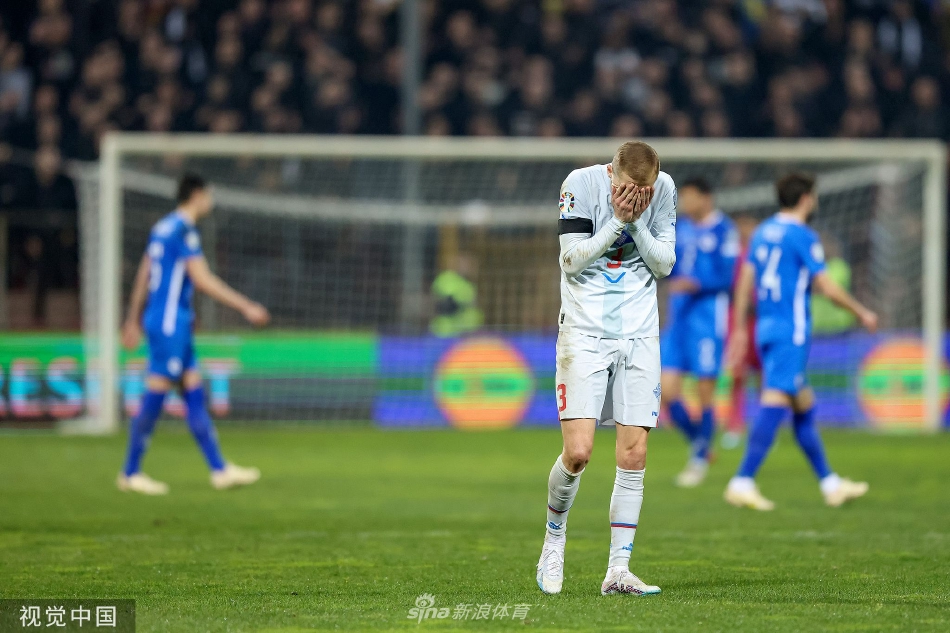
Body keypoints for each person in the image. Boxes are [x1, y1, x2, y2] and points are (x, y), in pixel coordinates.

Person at [537, 141, 675, 596]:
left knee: (634, 455)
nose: (638, 196)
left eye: (645, 190)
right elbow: (571, 261)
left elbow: (664, 265)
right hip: (584, 332)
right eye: (630, 188)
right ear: (613, 174)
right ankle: (554, 539)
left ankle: (618, 570)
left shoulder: (664, 189)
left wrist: (636, 224)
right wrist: (617, 220)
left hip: (640, 335)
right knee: (578, 453)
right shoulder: (580, 184)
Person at [725, 172, 876, 510]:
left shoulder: (763, 232)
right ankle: (743, 480)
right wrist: (862, 312)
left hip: (765, 327)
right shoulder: (803, 235)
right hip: (789, 331)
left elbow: (745, 279)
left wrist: (740, 328)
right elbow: (828, 287)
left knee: (803, 405)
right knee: (775, 399)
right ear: (807, 199)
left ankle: (830, 484)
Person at [117, 174, 271, 495]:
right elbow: (203, 280)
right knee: (156, 393)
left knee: (193, 391)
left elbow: (144, 274)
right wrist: (246, 306)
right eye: (209, 195)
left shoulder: (162, 228)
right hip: (170, 323)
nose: (211, 201)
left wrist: (133, 319)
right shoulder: (184, 231)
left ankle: (219, 470)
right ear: (197, 195)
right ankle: (130, 472)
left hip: (168, 321)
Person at [660, 178, 739, 486]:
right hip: (679, 319)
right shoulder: (681, 229)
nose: (685, 204)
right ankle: (700, 444)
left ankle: (698, 459)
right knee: (666, 391)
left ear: (706, 198)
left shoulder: (723, 230)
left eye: (690, 197)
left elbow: (728, 278)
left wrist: (696, 284)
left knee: (705, 391)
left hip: (707, 319)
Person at [724, 213, 761, 448]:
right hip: (736, 318)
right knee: (737, 374)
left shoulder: (762, 254)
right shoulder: (733, 255)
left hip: (759, 318)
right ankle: (735, 425)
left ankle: (763, 425)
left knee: (762, 373)